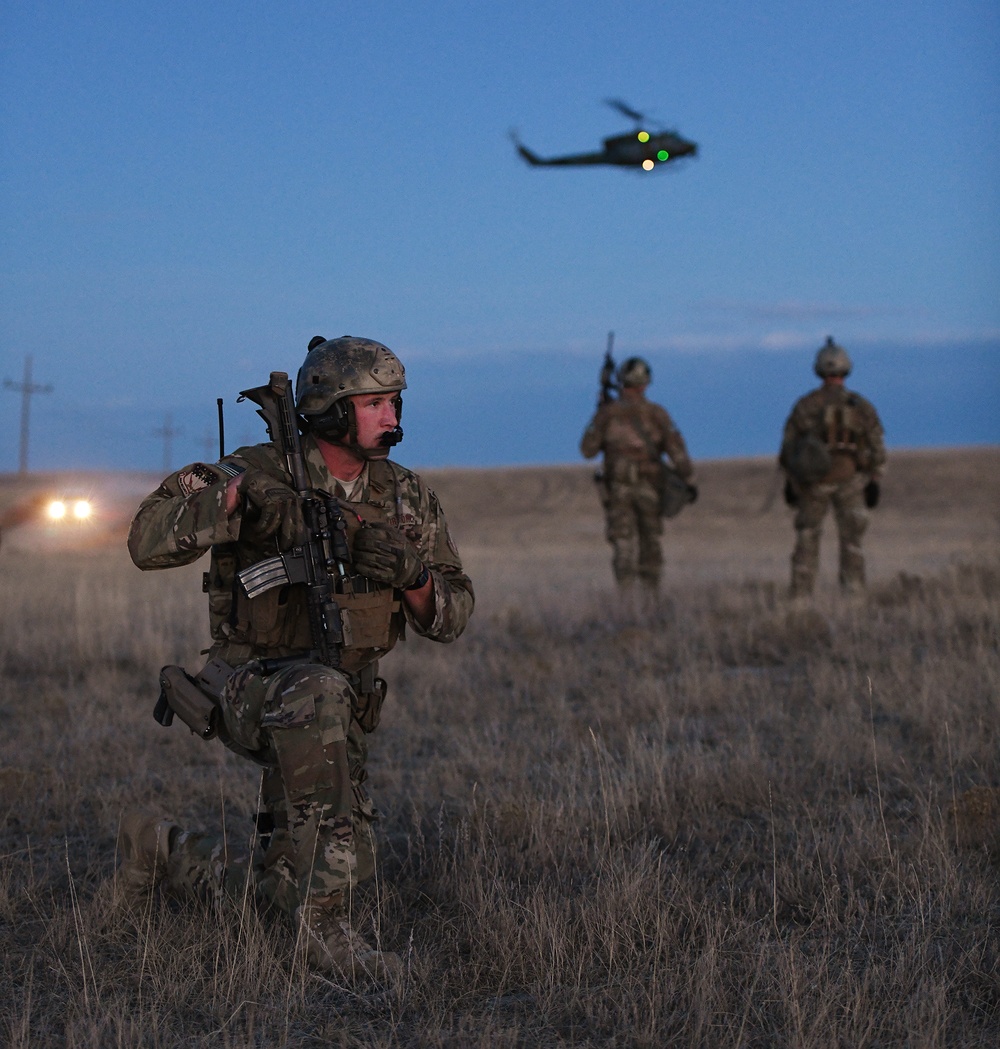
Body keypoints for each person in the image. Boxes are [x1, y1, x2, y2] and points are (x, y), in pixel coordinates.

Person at [119, 335, 474, 979]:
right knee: (317, 702)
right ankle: (326, 935)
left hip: (345, 702)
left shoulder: (405, 497)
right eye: (374, 403)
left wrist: (415, 575)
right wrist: (238, 500)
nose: (392, 416)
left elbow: (452, 617)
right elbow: (145, 541)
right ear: (331, 407)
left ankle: (164, 852)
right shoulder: (252, 468)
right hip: (249, 685)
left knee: (281, 890)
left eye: (395, 401)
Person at [779, 336, 886, 598]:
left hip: (813, 483)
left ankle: (800, 600)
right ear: (845, 369)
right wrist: (874, 479)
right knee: (852, 542)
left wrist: (791, 483)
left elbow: (788, 449)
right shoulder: (861, 406)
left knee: (807, 537)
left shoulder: (806, 405)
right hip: (851, 481)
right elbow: (877, 448)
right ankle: (854, 599)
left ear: (819, 369)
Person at [580, 356, 695, 590]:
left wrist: (599, 415)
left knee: (623, 545)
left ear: (622, 382)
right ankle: (651, 602)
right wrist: (683, 478)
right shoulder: (657, 414)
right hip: (650, 488)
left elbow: (587, 450)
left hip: (617, 490)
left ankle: (625, 604)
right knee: (650, 542)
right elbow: (680, 457)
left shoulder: (607, 415)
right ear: (645, 384)